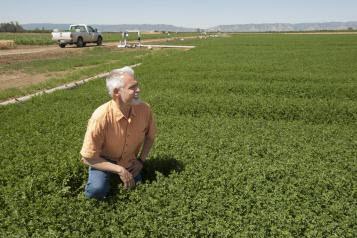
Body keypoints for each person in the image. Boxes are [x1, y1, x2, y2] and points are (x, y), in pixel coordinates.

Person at [80, 66, 156, 200]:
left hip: (130, 159)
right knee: (96, 191)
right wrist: (119, 169)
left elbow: (150, 137)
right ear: (116, 92)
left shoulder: (144, 109)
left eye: (137, 85)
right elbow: (88, 158)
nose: (138, 90)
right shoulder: (100, 117)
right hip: (103, 160)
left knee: (137, 190)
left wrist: (140, 161)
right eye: (132, 87)